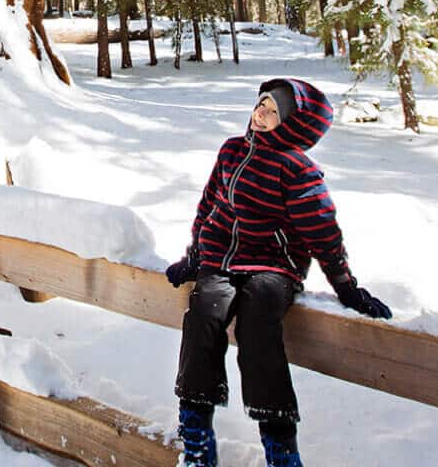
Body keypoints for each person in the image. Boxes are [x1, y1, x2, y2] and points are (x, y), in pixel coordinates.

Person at [165, 78, 391, 467]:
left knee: (258, 325)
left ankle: (280, 448)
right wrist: (196, 256)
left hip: (273, 267)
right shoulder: (233, 151)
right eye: (261, 106)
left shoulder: (297, 169)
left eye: (273, 112)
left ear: (290, 123)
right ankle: (196, 438)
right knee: (203, 312)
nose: (262, 116)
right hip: (221, 259)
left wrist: (345, 286)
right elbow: (209, 207)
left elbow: (322, 231)